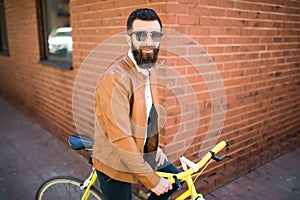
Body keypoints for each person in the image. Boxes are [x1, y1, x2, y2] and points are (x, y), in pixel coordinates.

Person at [92, 8, 180, 200]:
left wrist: (154, 148)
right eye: (141, 35)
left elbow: (149, 115)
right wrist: (153, 181)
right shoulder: (114, 79)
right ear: (128, 39)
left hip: (141, 149)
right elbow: (121, 139)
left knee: (175, 181)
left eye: (154, 35)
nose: (149, 42)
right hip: (114, 162)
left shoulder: (149, 68)